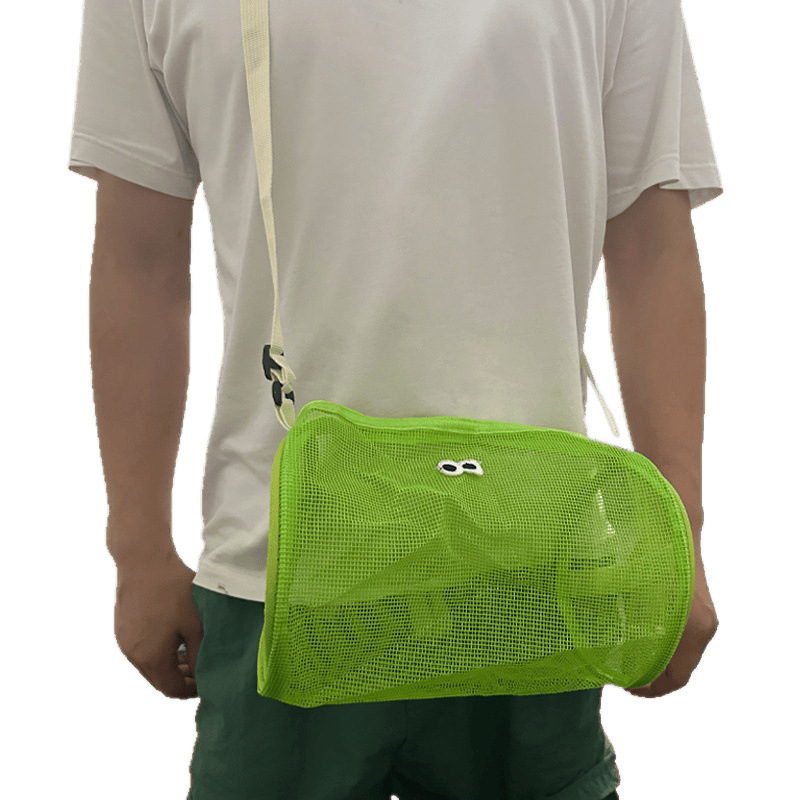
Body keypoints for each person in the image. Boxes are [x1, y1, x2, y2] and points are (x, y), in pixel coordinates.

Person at [68, 0, 721, 798]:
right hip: (277, 573)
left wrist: (678, 538)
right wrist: (135, 545)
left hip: (529, 569)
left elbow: (650, 233)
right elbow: (139, 256)